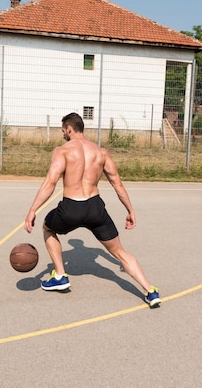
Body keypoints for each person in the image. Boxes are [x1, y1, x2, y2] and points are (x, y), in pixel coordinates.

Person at [25, 112, 160, 307]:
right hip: (95, 207)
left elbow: (51, 181)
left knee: (48, 228)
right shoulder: (101, 152)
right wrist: (130, 210)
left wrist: (33, 210)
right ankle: (150, 290)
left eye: (63, 130)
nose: (63, 134)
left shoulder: (62, 151)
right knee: (120, 252)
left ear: (70, 129)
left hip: (71, 207)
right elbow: (117, 183)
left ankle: (61, 276)